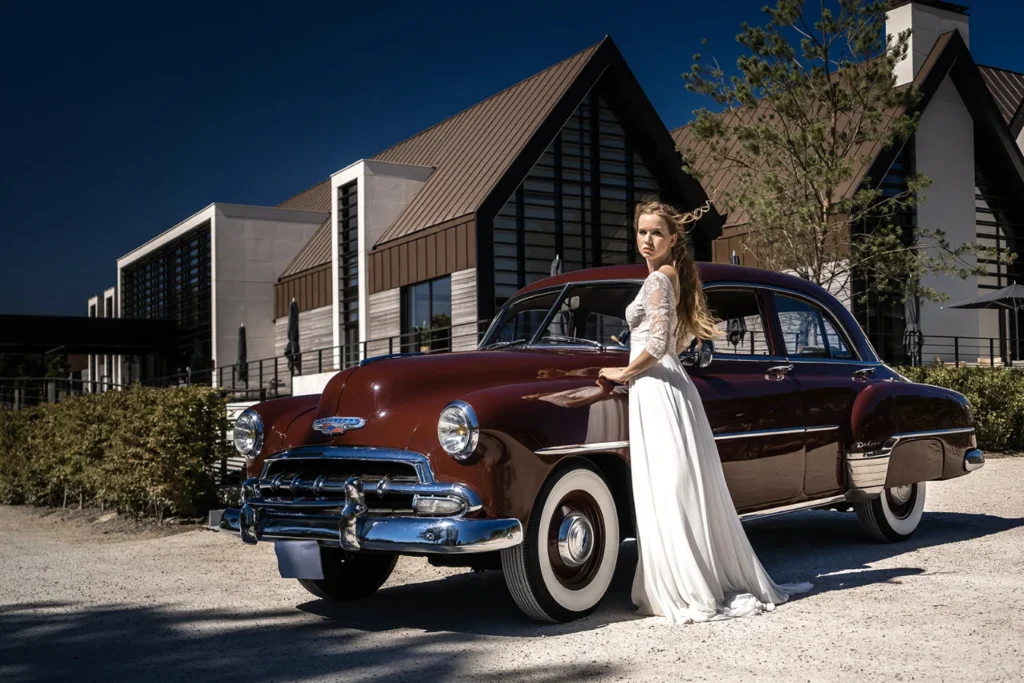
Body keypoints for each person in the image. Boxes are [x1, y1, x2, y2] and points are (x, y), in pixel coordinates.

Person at [598, 200, 812, 624]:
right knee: (673, 486)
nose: (647, 240)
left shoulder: (660, 279)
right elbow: (675, 343)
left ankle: (684, 586)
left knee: (667, 487)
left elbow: (658, 345)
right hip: (664, 386)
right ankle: (688, 578)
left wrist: (623, 371)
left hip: (656, 387)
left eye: (656, 233)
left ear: (673, 239)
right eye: (642, 232)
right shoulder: (670, 277)